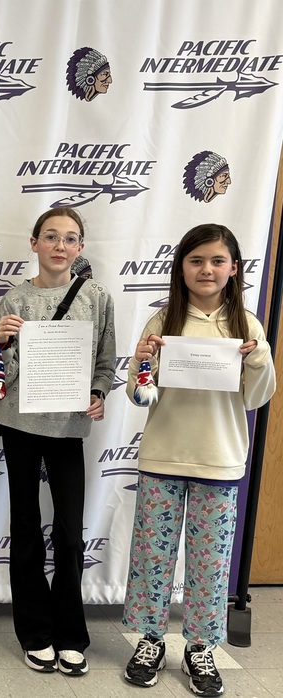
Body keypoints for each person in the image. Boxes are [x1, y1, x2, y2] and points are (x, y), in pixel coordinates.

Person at [122, 224, 275, 696]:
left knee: (210, 562)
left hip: (219, 460)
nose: (206, 269)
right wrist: (144, 363)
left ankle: (201, 648)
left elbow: (257, 398)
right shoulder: (162, 322)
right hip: (163, 457)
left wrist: (258, 359)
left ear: (233, 269)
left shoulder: (247, 326)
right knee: (152, 556)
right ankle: (149, 640)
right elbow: (139, 395)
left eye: (217, 260)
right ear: (181, 268)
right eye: (196, 260)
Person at [0, 207, 115, 676]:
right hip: (19, 424)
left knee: (68, 534)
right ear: (34, 243)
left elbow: (105, 361)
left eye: (70, 238)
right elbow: (2, 378)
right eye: (50, 236)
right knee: (25, 527)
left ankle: (71, 634)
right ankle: (35, 633)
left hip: (67, 427)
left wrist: (98, 393)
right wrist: (2, 344)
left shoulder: (97, 297)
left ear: (80, 247)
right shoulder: (13, 300)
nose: (60, 246)